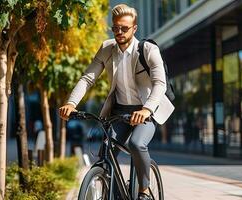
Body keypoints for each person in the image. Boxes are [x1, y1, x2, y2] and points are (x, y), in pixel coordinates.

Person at [59, 4, 174, 200]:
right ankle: (112, 191)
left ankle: (144, 191)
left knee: (137, 144)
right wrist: (71, 103)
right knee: (106, 149)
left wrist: (147, 109)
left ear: (134, 28)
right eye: (116, 28)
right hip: (119, 112)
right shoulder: (107, 48)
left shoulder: (148, 50)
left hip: (146, 111)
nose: (119, 32)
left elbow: (159, 83)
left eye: (124, 28)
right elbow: (88, 78)